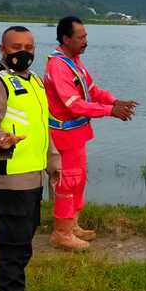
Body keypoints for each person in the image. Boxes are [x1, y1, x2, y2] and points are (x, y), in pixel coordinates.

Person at [0, 26, 61, 291]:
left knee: (23, 243)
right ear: (2, 49)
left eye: (29, 46)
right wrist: (1, 139)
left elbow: (43, 127)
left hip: (33, 176)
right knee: (12, 246)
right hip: (9, 177)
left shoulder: (35, 81)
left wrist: (53, 162)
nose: (22, 52)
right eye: (16, 46)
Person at [44, 16, 137, 251]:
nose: (85, 41)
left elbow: (92, 90)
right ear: (66, 39)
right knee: (68, 182)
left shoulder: (74, 61)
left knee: (78, 179)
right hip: (64, 135)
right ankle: (61, 233)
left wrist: (115, 101)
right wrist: (110, 111)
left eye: (85, 36)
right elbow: (73, 104)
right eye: (81, 37)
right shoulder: (58, 65)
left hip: (78, 134)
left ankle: (72, 224)